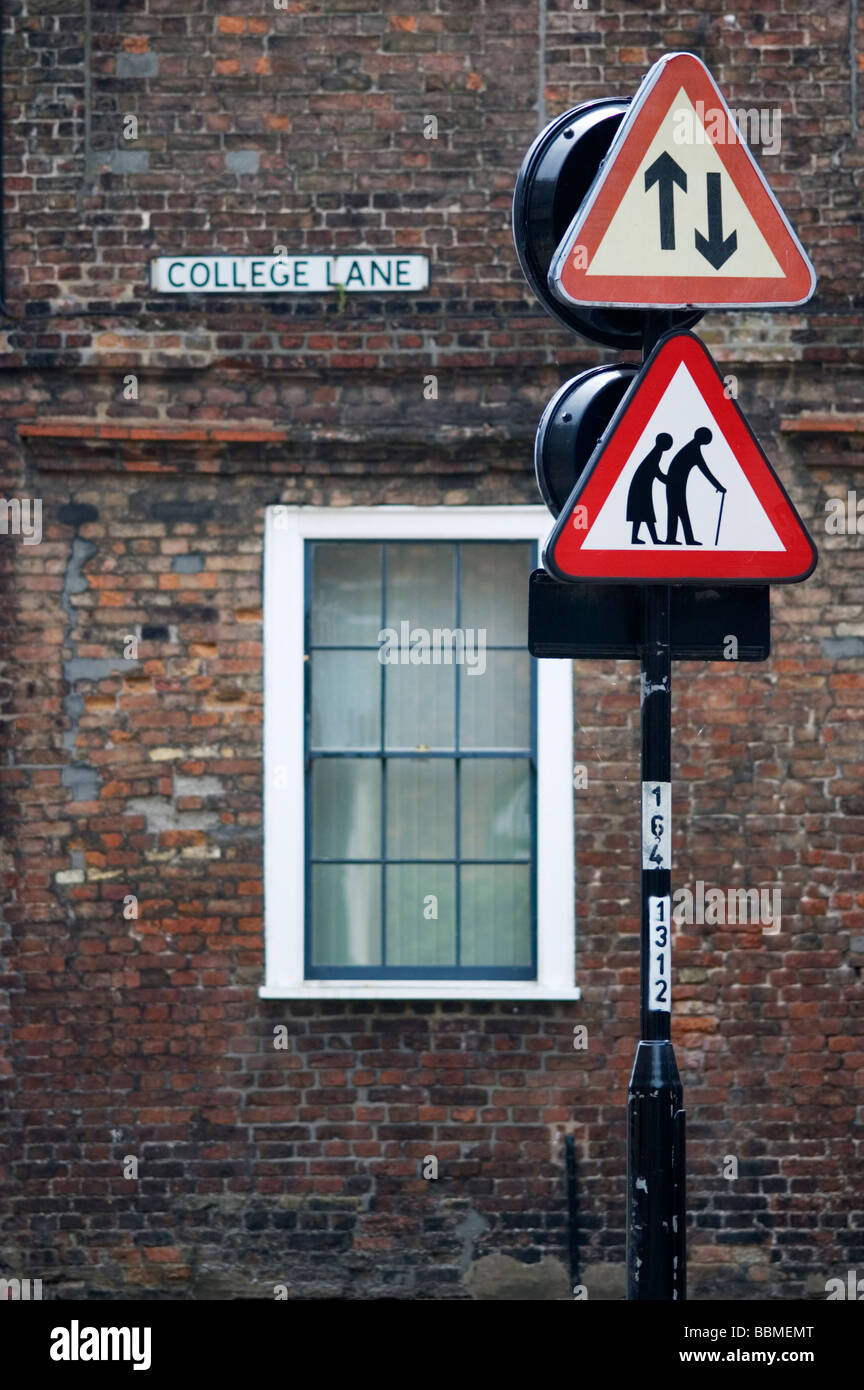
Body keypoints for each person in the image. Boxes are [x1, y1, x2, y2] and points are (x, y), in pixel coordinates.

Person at [662, 426, 725, 545]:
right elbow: (706, 471)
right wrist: (719, 487)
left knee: (679, 512)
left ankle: (681, 539)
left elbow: (705, 471)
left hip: (675, 485)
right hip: (675, 485)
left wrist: (718, 486)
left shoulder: (691, 448)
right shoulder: (693, 450)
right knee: (677, 512)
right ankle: (675, 539)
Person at [626, 432, 673, 544]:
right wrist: (668, 481)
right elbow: (655, 470)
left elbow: (655, 470)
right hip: (641, 488)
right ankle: (652, 539)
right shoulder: (656, 454)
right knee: (646, 514)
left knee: (642, 514)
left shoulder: (656, 452)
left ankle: (638, 538)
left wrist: (666, 480)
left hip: (642, 486)